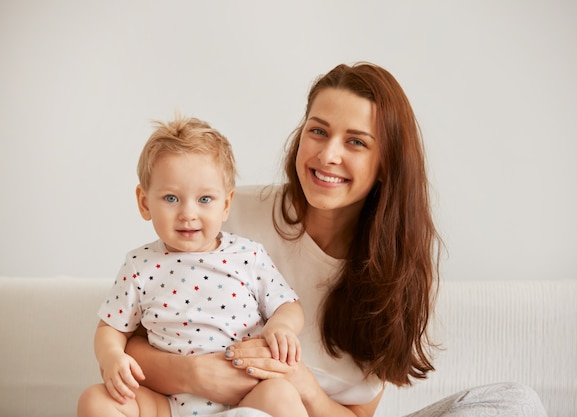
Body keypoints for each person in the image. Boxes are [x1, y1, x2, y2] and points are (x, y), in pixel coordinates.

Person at [124, 62, 548, 417]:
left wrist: (303, 385)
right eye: (319, 131)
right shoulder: (226, 216)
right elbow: (133, 344)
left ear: (386, 165)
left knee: (517, 404)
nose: (328, 155)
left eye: (357, 142)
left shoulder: (396, 275)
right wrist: (195, 375)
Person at [77, 116, 307, 417]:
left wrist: (282, 326)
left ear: (226, 204)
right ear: (145, 202)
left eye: (205, 199)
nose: (188, 213)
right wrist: (111, 358)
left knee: (283, 395)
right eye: (171, 198)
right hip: (166, 403)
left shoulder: (248, 255)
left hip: (245, 398)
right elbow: (111, 328)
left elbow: (288, 305)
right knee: (95, 401)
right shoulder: (139, 265)